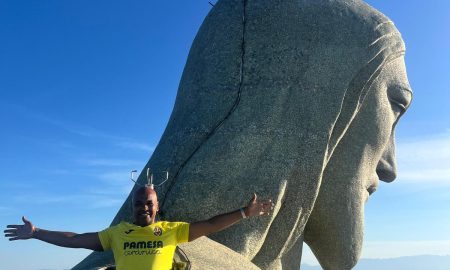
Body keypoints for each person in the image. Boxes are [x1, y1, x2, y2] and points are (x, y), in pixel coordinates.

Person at [4, 186, 273, 270]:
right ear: (131, 206)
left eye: (149, 203)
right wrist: (38, 233)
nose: (143, 207)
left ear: (157, 206)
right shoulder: (118, 233)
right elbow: (76, 239)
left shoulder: (171, 230)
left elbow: (212, 225)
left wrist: (244, 213)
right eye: (138, 203)